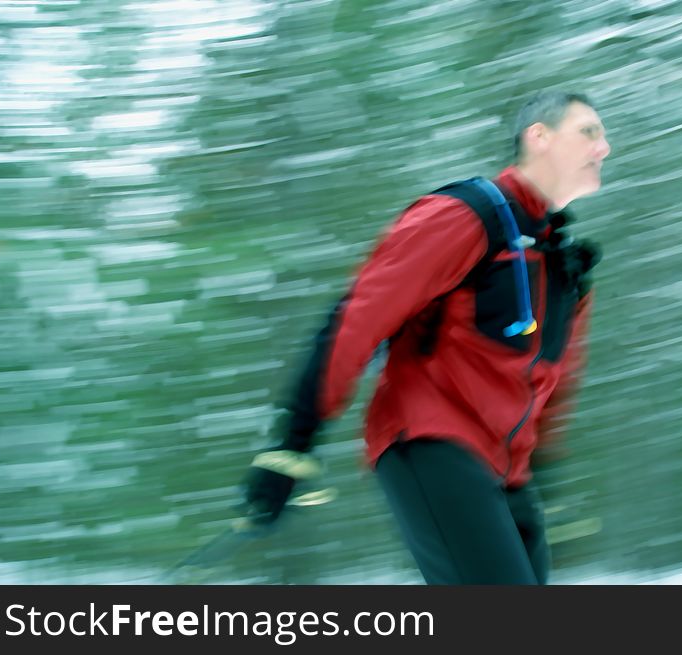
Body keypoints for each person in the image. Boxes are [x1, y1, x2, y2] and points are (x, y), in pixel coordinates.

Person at [243, 90, 611, 584]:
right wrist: (292, 442)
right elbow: (360, 316)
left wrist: (548, 487)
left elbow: (553, 389)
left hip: (507, 475)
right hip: (433, 445)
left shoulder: (562, 262)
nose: (603, 147)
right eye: (588, 131)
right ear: (539, 137)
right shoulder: (468, 215)